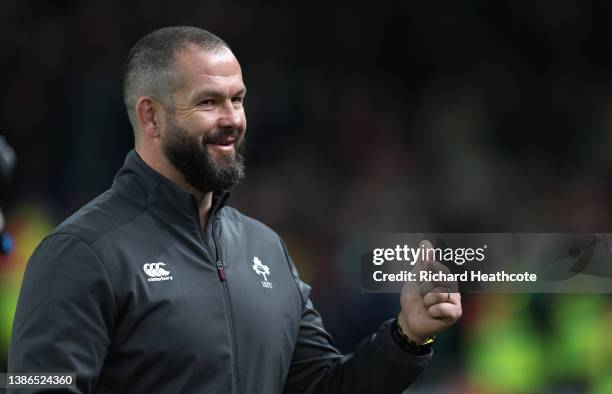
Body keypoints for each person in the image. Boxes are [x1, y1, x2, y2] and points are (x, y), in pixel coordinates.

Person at [8, 26, 462, 394]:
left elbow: (322, 386)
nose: (233, 119)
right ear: (150, 117)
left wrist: (405, 336)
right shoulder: (82, 251)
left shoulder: (265, 249)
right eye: (209, 101)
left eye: (238, 99)